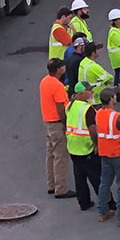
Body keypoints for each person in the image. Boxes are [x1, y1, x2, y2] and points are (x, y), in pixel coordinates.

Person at [93, 88, 120, 227]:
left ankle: (102, 212)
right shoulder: (118, 117)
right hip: (119, 154)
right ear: (111, 99)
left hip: (105, 154)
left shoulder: (98, 113)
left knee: (105, 183)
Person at [64, 81, 102, 210]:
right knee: (96, 177)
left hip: (73, 146)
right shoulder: (88, 109)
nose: (92, 92)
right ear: (82, 93)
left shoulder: (70, 105)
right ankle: (107, 203)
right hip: (86, 147)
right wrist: (97, 144)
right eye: (90, 90)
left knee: (79, 177)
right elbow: (92, 129)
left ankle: (84, 202)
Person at [40, 59, 74, 199]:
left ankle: (51, 184)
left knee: (50, 154)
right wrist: (65, 124)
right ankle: (61, 189)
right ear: (59, 69)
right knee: (60, 156)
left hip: (48, 122)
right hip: (57, 123)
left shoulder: (44, 81)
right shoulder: (57, 86)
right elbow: (61, 107)